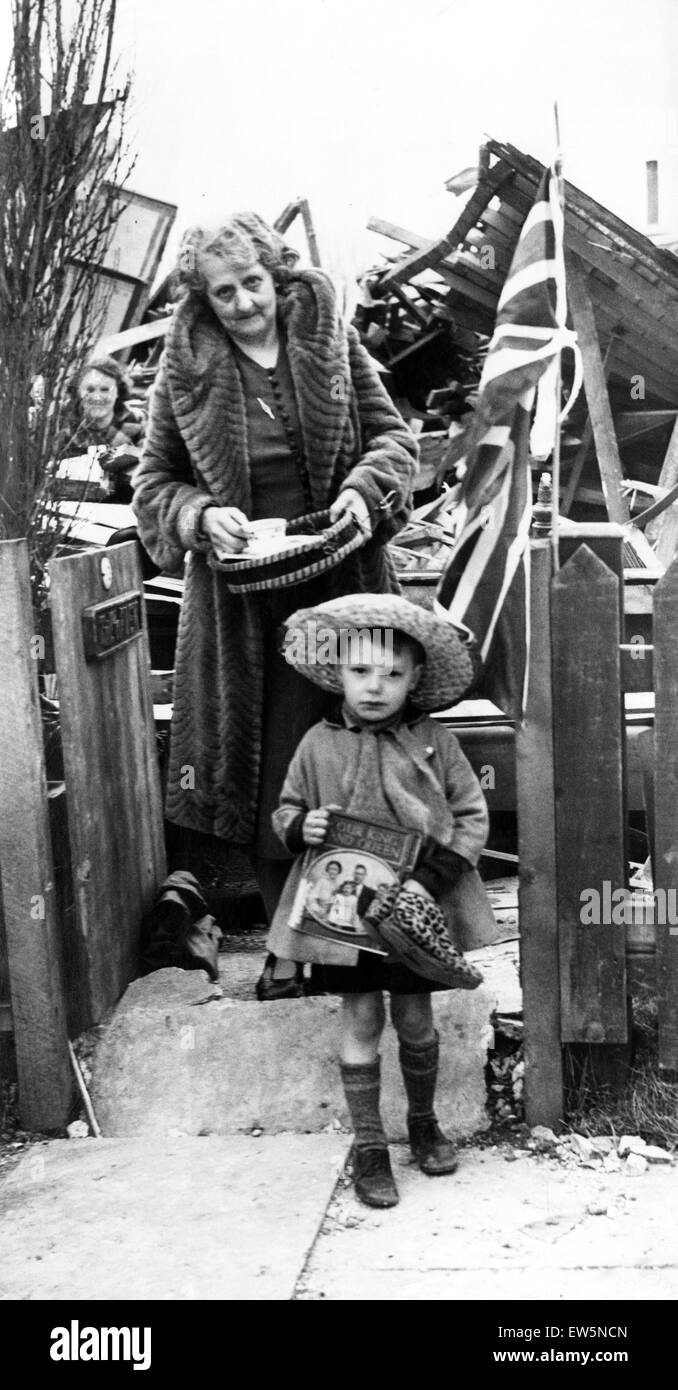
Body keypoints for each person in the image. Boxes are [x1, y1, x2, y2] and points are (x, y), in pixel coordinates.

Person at [132, 213, 418, 999]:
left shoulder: (327, 339)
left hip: (342, 582)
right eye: (224, 293)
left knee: (355, 754)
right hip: (243, 607)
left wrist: (365, 490)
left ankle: (352, 939)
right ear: (206, 299)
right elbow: (151, 485)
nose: (244, 303)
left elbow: (394, 439)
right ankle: (287, 947)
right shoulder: (183, 370)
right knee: (266, 772)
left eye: (253, 283)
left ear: (277, 274)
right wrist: (197, 514)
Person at [267, 593, 490, 1209]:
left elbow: (471, 817)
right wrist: (300, 827)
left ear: (415, 679)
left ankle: (423, 1122)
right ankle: (370, 1145)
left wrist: (431, 880)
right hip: (342, 917)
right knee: (362, 1017)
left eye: (392, 674)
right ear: (338, 670)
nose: (375, 687)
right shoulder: (317, 743)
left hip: (414, 910)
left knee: (415, 1017)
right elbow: (286, 808)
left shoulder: (433, 741)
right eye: (361, 671)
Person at [62, 356, 146, 500]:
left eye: (105, 389)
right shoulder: (63, 425)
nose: (97, 397)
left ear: (118, 391)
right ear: (78, 392)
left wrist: (135, 454)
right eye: (90, 389)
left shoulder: (138, 420)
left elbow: (157, 465)